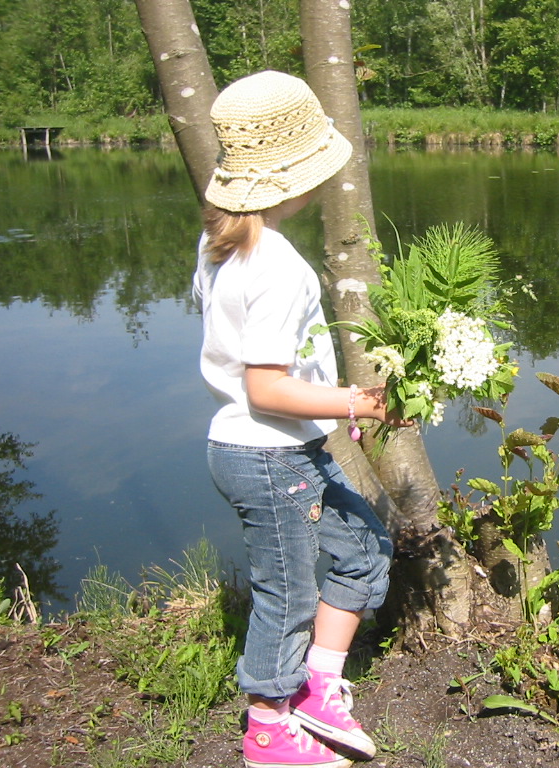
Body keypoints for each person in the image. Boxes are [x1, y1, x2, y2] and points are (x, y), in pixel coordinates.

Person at [192, 70, 409, 768]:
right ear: (298, 178)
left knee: (364, 546)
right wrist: (355, 400)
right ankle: (268, 729)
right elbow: (266, 389)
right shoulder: (278, 266)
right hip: (266, 453)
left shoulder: (221, 244)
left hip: (274, 450)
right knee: (286, 594)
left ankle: (318, 685)